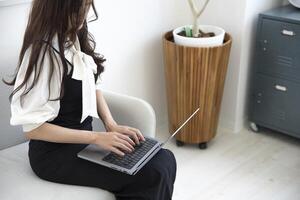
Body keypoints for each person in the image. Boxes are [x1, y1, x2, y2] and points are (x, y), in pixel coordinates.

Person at [3, 0, 177, 199]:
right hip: (54, 155)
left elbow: (92, 86)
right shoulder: (44, 53)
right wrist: (97, 138)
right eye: (77, 7)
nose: (83, 13)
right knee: (151, 174)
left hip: (84, 142)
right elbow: (33, 129)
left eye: (86, 5)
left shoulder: (74, 36)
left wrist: (110, 124)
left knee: (163, 159)